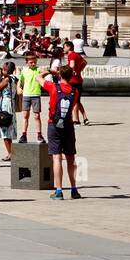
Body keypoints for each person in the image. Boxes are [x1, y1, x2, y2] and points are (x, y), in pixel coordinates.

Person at [41, 65, 82, 201]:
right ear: (70, 76)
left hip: (53, 125)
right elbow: (73, 105)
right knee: (71, 159)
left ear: (59, 75)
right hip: (68, 125)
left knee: (56, 158)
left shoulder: (53, 87)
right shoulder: (75, 91)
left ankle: (59, 191)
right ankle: (74, 189)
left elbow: (38, 77)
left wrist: (50, 71)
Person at [0, 62, 18, 162]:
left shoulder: (7, 79)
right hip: (10, 104)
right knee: (8, 129)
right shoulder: (14, 78)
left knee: (5, 130)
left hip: (4, 105)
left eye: (2, 69)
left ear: (6, 70)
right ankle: (11, 152)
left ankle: (10, 154)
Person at [17, 52, 45, 143]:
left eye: (35, 62)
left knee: (37, 116)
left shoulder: (39, 70)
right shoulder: (24, 71)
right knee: (25, 115)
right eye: (31, 62)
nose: (33, 64)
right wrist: (18, 88)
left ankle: (39, 135)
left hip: (36, 95)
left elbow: (45, 76)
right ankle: (24, 135)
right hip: (26, 95)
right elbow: (20, 82)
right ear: (26, 62)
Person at [64, 40, 89, 126]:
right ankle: (84, 118)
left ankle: (76, 120)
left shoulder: (71, 55)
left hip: (72, 80)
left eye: (64, 47)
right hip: (79, 80)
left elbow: (71, 66)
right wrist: (79, 70)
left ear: (69, 47)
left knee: (74, 100)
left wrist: (68, 70)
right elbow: (85, 62)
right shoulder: (77, 55)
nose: (64, 49)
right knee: (77, 101)